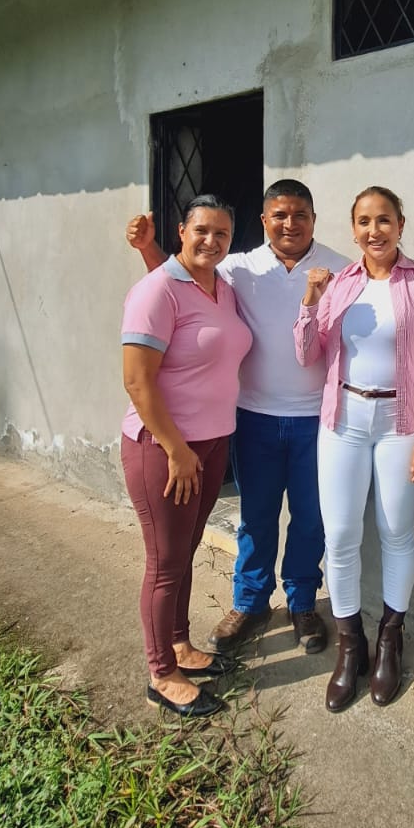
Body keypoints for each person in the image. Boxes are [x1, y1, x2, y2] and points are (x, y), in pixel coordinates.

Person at [126, 180, 349, 655]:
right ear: (264, 221)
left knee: (311, 518)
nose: (290, 224)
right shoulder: (238, 267)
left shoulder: (341, 268)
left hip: (317, 418)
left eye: (300, 215)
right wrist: (148, 250)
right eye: (279, 215)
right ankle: (249, 602)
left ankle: (302, 602)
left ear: (314, 219)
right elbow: (179, 281)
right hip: (253, 416)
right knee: (256, 517)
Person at [294, 186, 414, 712]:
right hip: (343, 419)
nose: (374, 231)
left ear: (400, 224)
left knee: (395, 530)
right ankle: (350, 646)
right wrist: (310, 301)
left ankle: (390, 640)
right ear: (353, 229)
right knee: (340, 534)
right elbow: (308, 354)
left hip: (401, 423)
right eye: (363, 221)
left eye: (383, 220)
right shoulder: (341, 283)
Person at [121, 195, 253, 717]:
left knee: (186, 550)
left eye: (222, 233)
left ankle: (179, 644)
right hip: (164, 448)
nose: (211, 241)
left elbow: (193, 311)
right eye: (201, 230)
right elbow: (137, 380)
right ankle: (161, 673)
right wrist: (175, 449)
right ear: (182, 231)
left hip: (213, 443)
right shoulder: (155, 290)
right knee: (165, 563)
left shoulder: (220, 287)